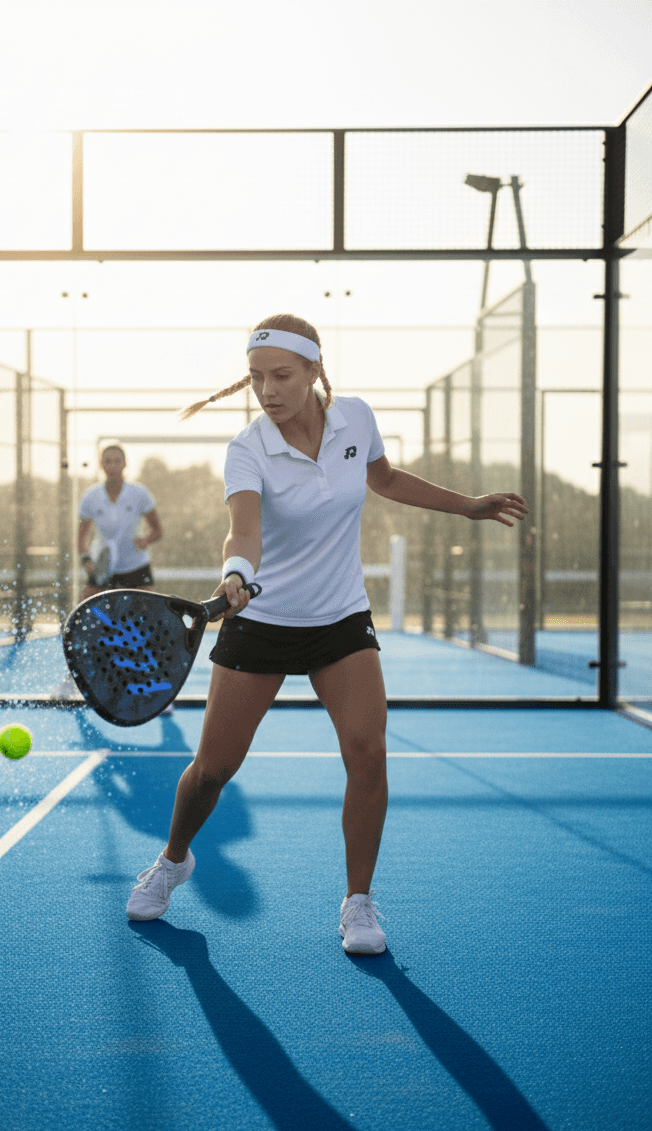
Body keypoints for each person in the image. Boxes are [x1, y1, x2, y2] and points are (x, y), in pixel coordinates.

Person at [125, 313, 528, 954]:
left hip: (340, 619)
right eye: (256, 377)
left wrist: (467, 505)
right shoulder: (247, 448)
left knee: (368, 754)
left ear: (315, 369)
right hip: (261, 622)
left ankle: (358, 902)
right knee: (212, 771)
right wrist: (236, 574)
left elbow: (385, 478)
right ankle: (174, 860)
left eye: (282, 375)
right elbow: (243, 531)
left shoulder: (356, 418)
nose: (268, 390)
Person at [78, 443, 163, 597]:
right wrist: (86, 560)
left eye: (117, 461)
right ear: (101, 465)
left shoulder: (140, 494)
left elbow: (158, 531)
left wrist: (145, 540)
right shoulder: (90, 497)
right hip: (102, 568)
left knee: (147, 610)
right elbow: (80, 539)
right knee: (88, 608)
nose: (112, 466)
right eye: (108, 461)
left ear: (125, 464)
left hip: (136, 566)